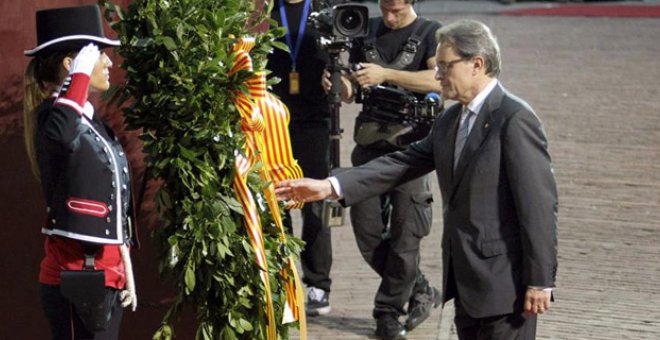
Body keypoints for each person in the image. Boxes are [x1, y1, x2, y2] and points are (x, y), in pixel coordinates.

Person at [278, 19, 558, 340]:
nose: (437, 76)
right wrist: (330, 186)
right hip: (467, 288)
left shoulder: (514, 119)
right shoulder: (452, 118)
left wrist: (540, 281)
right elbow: (402, 162)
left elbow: (539, 207)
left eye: (444, 66)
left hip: (505, 287)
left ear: (476, 64)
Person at [321, 0, 442, 338]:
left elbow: (438, 82)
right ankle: (418, 287)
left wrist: (387, 74)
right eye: (385, 8)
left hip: (412, 152)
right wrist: (338, 83)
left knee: (406, 236)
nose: (389, 16)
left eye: (396, 10)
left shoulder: (430, 33)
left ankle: (387, 313)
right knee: (369, 234)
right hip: (370, 146)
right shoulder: (365, 28)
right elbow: (351, 90)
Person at [23, 5, 138, 339]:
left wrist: (122, 261)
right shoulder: (54, 118)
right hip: (77, 277)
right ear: (72, 66)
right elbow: (61, 134)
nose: (108, 62)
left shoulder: (87, 119)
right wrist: (80, 77)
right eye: (98, 54)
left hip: (105, 276)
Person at [266, 0, 333, 316]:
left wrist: (336, 73)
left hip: (313, 120)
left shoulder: (323, 9)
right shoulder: (264, 8)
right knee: (278, 200)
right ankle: (282, 284)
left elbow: (345, 55)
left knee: (315, 202)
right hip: (271, 122)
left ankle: (318, 283)